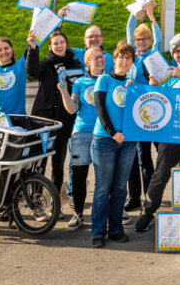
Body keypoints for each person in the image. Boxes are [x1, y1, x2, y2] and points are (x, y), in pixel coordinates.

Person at [134, 34, 180, 232]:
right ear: (173, 54)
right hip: (171, 133)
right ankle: (148, 212)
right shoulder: (167, 75)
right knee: (160, 173)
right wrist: (153, 87)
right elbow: (158, 101)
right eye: (177, 51)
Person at [89, 41, 138, 247]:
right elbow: (100, 108)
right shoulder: (104, 80)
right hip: (104, 140)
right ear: (114, 59)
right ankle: (98, 232)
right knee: (102, 188)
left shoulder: (132, 84)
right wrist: (112, 132)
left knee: (120, 188)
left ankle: (116, 228)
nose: (124, 61)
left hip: (127, 141)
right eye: (121, 57)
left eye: (128, 58)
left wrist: (135, 90)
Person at [25, 28, 78, 198]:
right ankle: (37, 199)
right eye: (55, 43)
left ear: (67, 44)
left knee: (58, 166)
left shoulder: (75, 65)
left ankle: (55, 201)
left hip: (64, 122)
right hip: (43, 122)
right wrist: (32, 49)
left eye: (62, 42)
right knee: (40, 162)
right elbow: (31, 71)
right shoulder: (45, 64)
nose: (59, 45)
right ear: (50, 46)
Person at [56, 46, 105, 229]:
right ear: (87, 62)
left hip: (104, 133)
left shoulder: (110, 80)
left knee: (105, 175)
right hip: (82, 132)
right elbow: (72, 109)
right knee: (78, 174)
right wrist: (63, 91)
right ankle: (78, 214)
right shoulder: (80, 83)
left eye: (102, 56)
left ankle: (108, 212)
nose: (100, 59)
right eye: (95, 57)